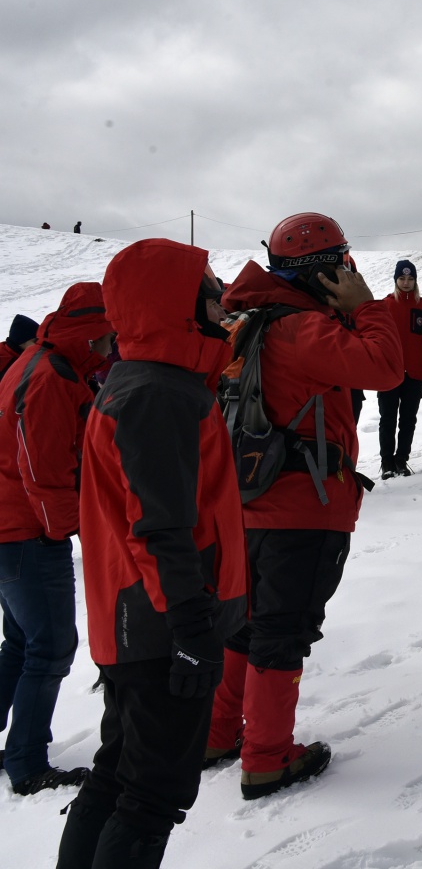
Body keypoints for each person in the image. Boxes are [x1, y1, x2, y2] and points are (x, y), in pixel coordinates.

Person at [59, 241, 243, 866]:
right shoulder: (158, 393)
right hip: (159, 628)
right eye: (210, 289)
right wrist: (191, 629)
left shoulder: (149, 379)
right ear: (175, 301)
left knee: (118, 776)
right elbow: (160, 528)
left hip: (137, 622)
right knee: (150, 798)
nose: (222, 301)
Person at [210, 213, 402, 801]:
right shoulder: (302, 328)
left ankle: (216, 733)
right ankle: (267, 758)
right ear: (322, 272)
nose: (350, 270)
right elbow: (385, 368)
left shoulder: (254, 319)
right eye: (341, 262)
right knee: (282, 630)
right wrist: (367, 307)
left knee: (247, 622)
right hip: (302, 505)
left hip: (250, 500)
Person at [0, 285, 111, 797]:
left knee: (22, 643)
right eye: (109, 334)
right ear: (91, 333)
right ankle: (26, 764)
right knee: (50, 647)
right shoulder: (50, 377)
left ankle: (20, 751)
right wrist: (63, 529)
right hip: (26, 533)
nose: (113, 345)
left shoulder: (44, 362)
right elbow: (41, 470)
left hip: (13, 528)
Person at [376, 260, 422, 479]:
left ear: (415, 281)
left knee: (408, 420)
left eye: (410, 279)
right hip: (389, 373)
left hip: (414, 373)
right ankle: (387, 462)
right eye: (402, 278)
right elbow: (375, 339)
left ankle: (401, 460)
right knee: (387, 419)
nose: (406, 282)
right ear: (395, 280)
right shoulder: (385, 306)